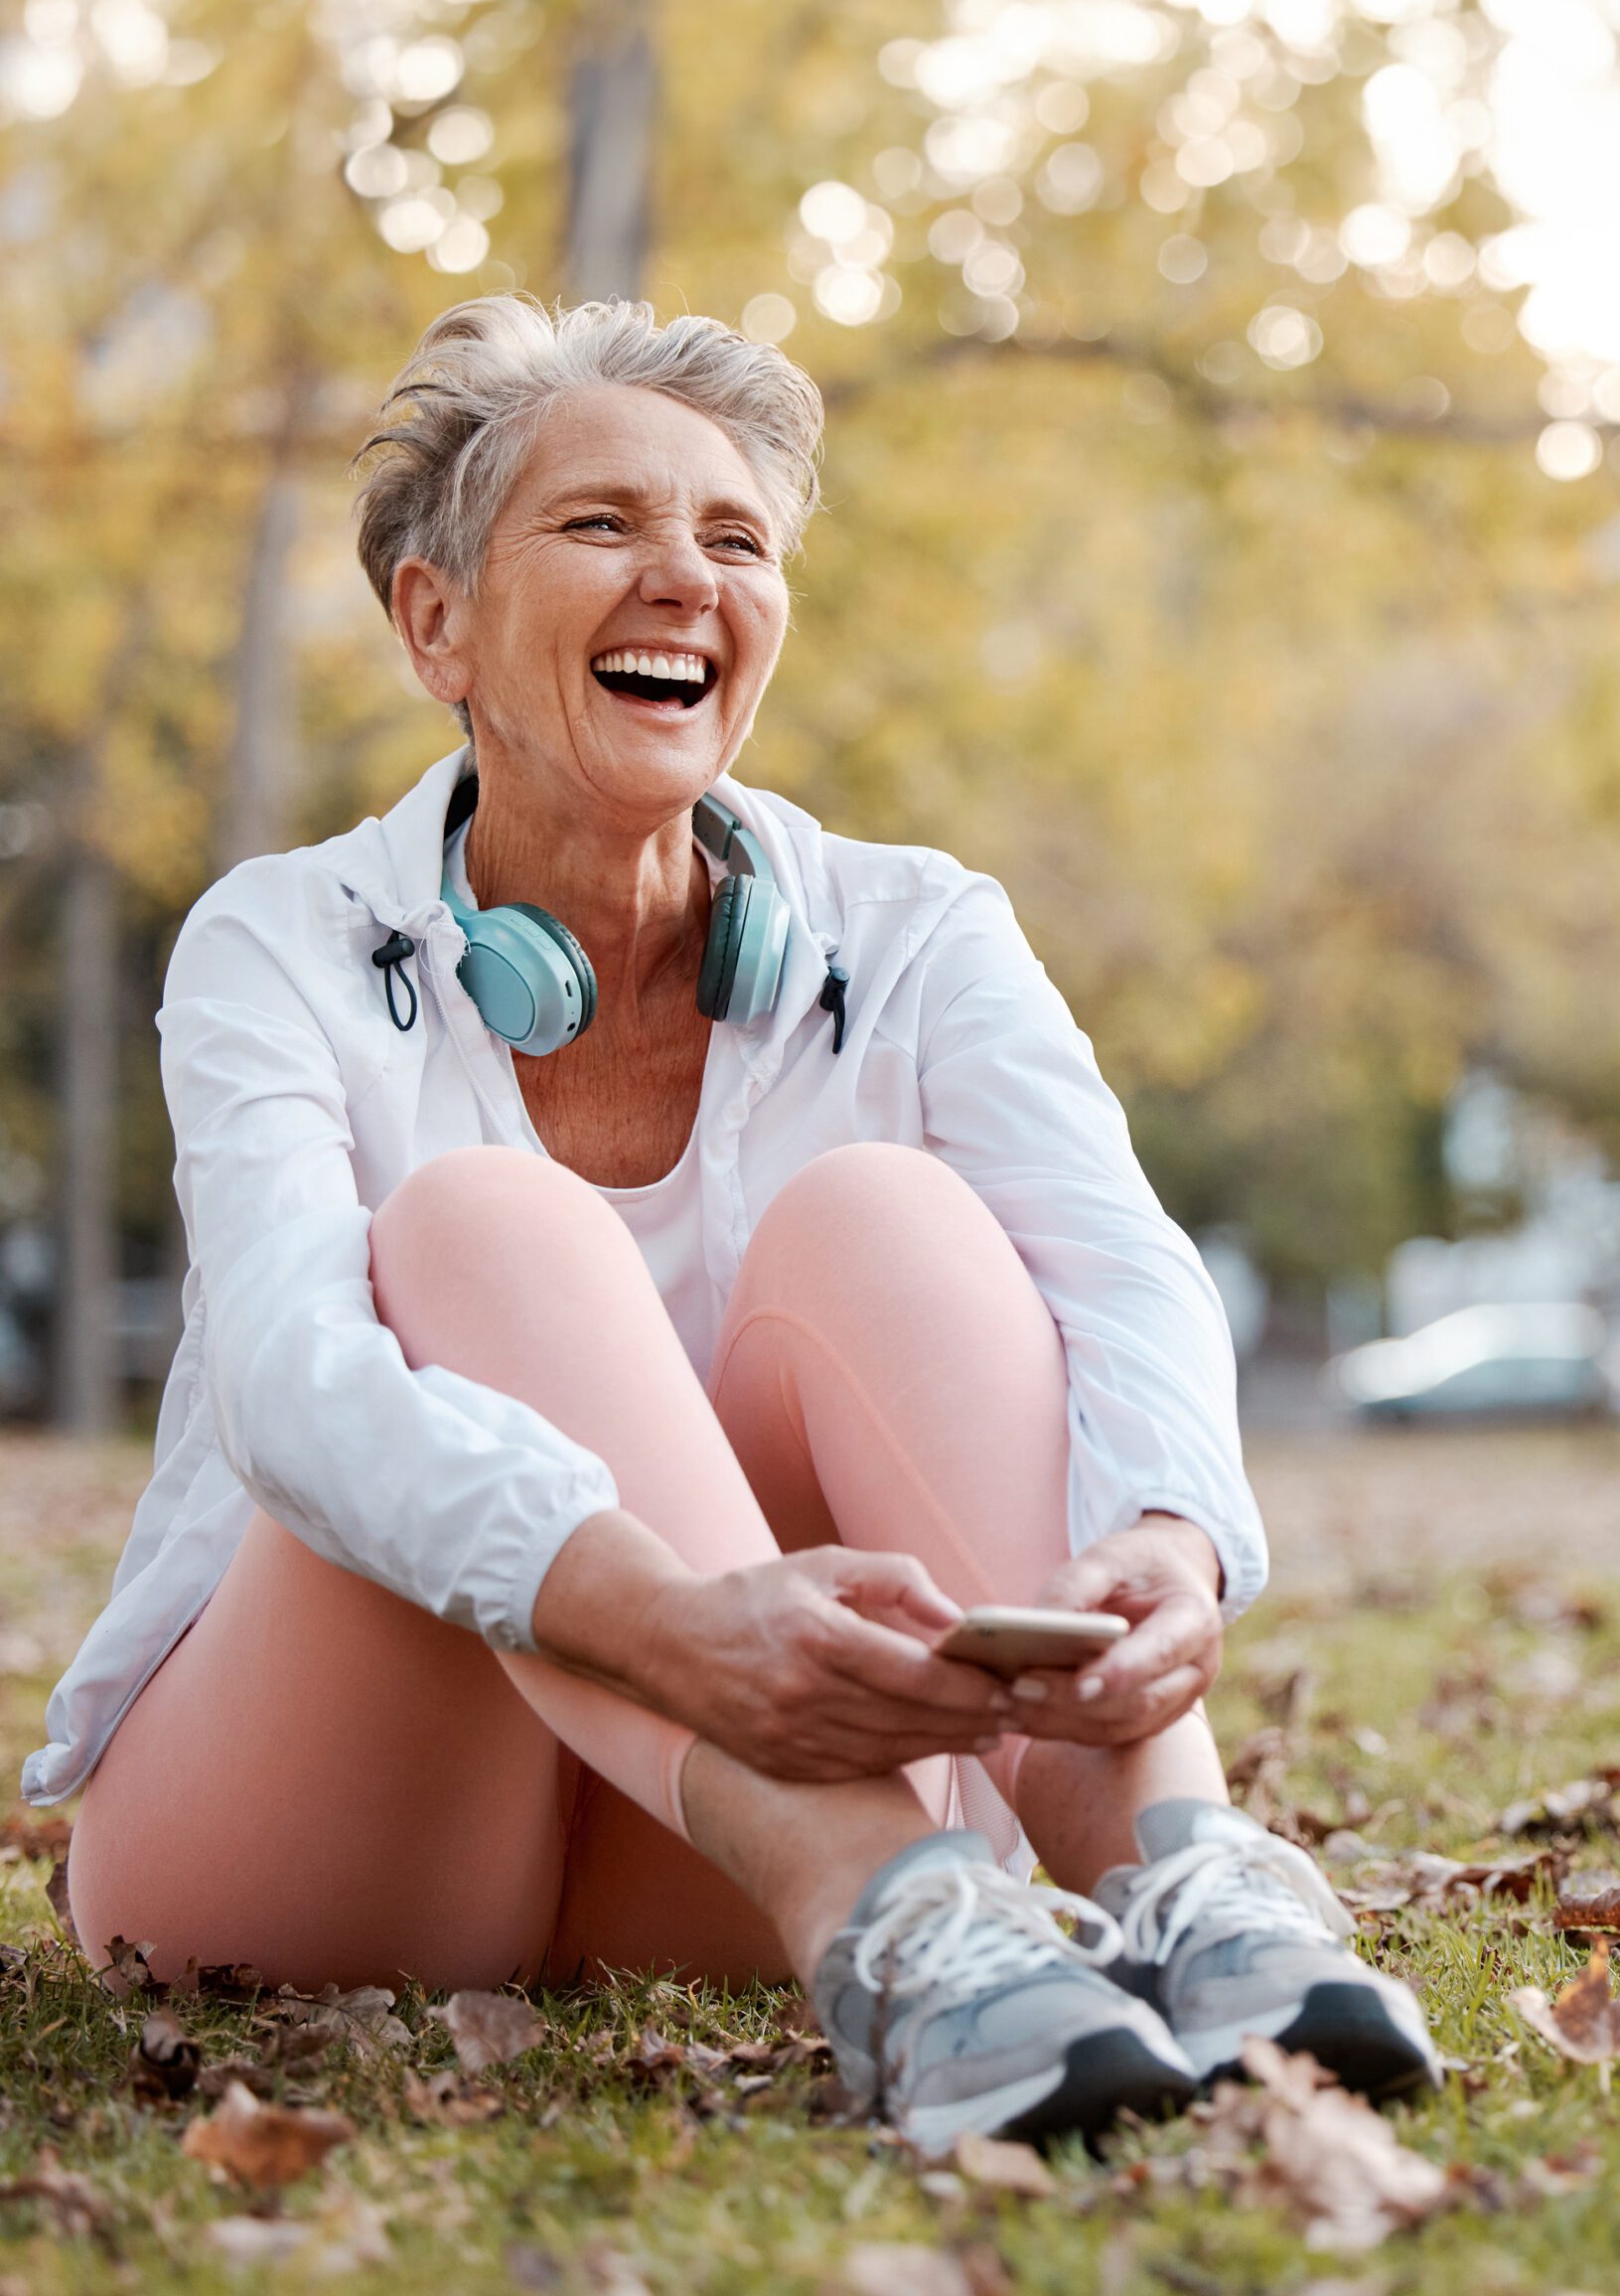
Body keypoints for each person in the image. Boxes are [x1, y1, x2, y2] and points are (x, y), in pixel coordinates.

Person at [27, 297, 1437, 2151]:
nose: (682, 574)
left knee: (887, 1216)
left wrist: (1173, 1542)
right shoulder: (280, 940)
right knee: (484, 1232)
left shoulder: (919, 927)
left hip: (710, 1863)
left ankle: (1166, 1864)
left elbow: (1123, 1267)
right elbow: (296, 1391)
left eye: (737, 538)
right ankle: (891, 1907)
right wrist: (669, 1616)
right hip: (327, 1845)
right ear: (434, 618)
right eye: (601, 522)